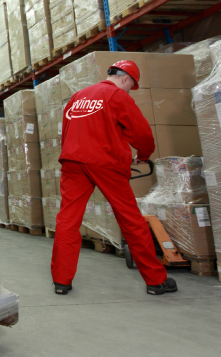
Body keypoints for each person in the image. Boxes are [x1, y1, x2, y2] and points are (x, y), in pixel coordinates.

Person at [51, 60, 177, 295]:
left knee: (67, 220)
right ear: (126, 79)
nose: (130, 90)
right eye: (132, 86)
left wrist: (73, 155)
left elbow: (67, 130)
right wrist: (144, 154)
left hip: (72, 161)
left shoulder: (78, 96)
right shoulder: (117, 96)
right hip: (105, 162)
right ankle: (155, 281)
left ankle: (61, 281)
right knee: (131, 220)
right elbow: (140, 132)